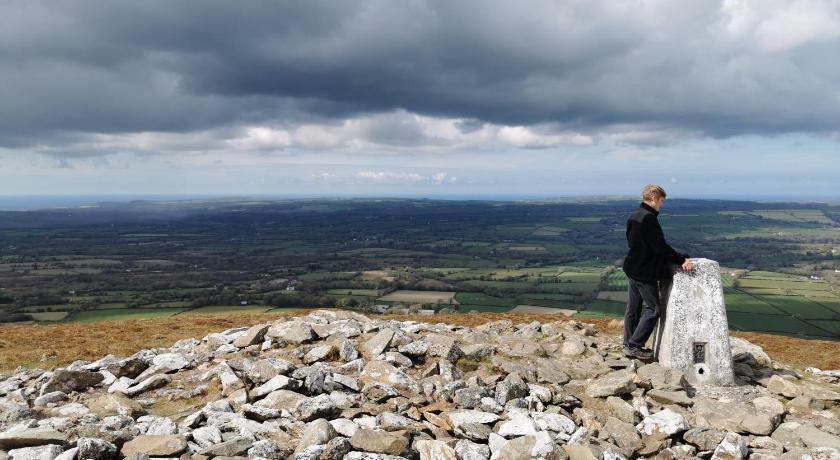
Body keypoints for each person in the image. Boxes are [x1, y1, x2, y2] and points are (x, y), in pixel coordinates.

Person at [622, 184, 694, 360]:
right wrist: (681, 259)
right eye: (661, 201)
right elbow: (659, 247)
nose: (662, 205)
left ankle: (628, 343)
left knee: (633, 308)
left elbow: (638, 244)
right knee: (653, 309)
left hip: (632, 267)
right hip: (644, 271)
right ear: (654, 199)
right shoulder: (648, 218)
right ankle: (634, 345)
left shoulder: (634, 215)